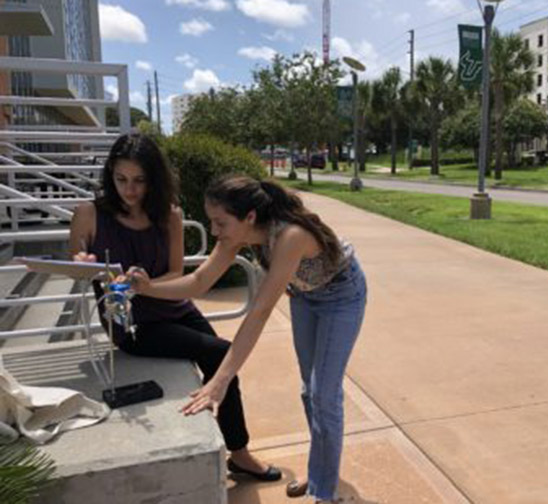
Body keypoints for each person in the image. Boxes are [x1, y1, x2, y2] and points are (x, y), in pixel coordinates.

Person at [128, 174, 367, 503]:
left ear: (249, 217)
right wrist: (148, 288)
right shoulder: (234, 235)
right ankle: (321, 473)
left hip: (342, 296)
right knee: (309, 392)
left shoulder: (290, 236)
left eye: (220, 222)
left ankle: (325, 493)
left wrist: (220, 380)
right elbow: (199, 281)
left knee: (324, 395)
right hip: (306, 296)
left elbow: (260, 312)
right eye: (211, 222)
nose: (214, 231)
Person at [68, 133, 280, 482]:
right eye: (121, 179)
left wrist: (147, 284)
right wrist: (83, 261)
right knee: (221, 352)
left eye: (139, 180)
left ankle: (237, 451)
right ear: (110, 176)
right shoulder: (88, 214)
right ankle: (239, 453)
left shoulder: (170, 215)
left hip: (175, 307)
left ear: (154, 179)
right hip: (134, 324)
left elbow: (175, 273)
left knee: (223, 362)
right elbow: (76, 263)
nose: (129, 190)